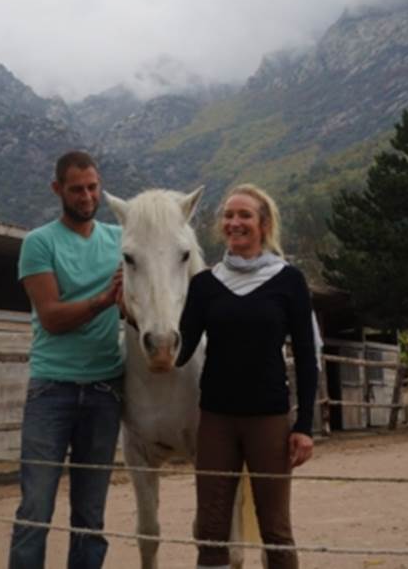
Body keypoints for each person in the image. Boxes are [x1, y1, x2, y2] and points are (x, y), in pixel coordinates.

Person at [176, 184, 318, 569]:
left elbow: (307, 356)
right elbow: (181, 351)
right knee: (211, 529)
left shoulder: (289, 280)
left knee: (276, 530)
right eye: (228, 215)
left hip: (268, 419)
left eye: (244, 215)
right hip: (216, 419)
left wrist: (304, 425)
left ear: (264, 224)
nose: (234, 222)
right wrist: (137, 316)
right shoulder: (204, 285)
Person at [8, 150, 124, 569]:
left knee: (91, 515)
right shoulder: (39, 243)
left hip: (105, 389)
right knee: (35, 508)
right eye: (76, 189)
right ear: (57, 189)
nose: (87, 197)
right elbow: (52, 318)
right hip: (52, 389)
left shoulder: (120, 239)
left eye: (92, 187)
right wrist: (103, 301)